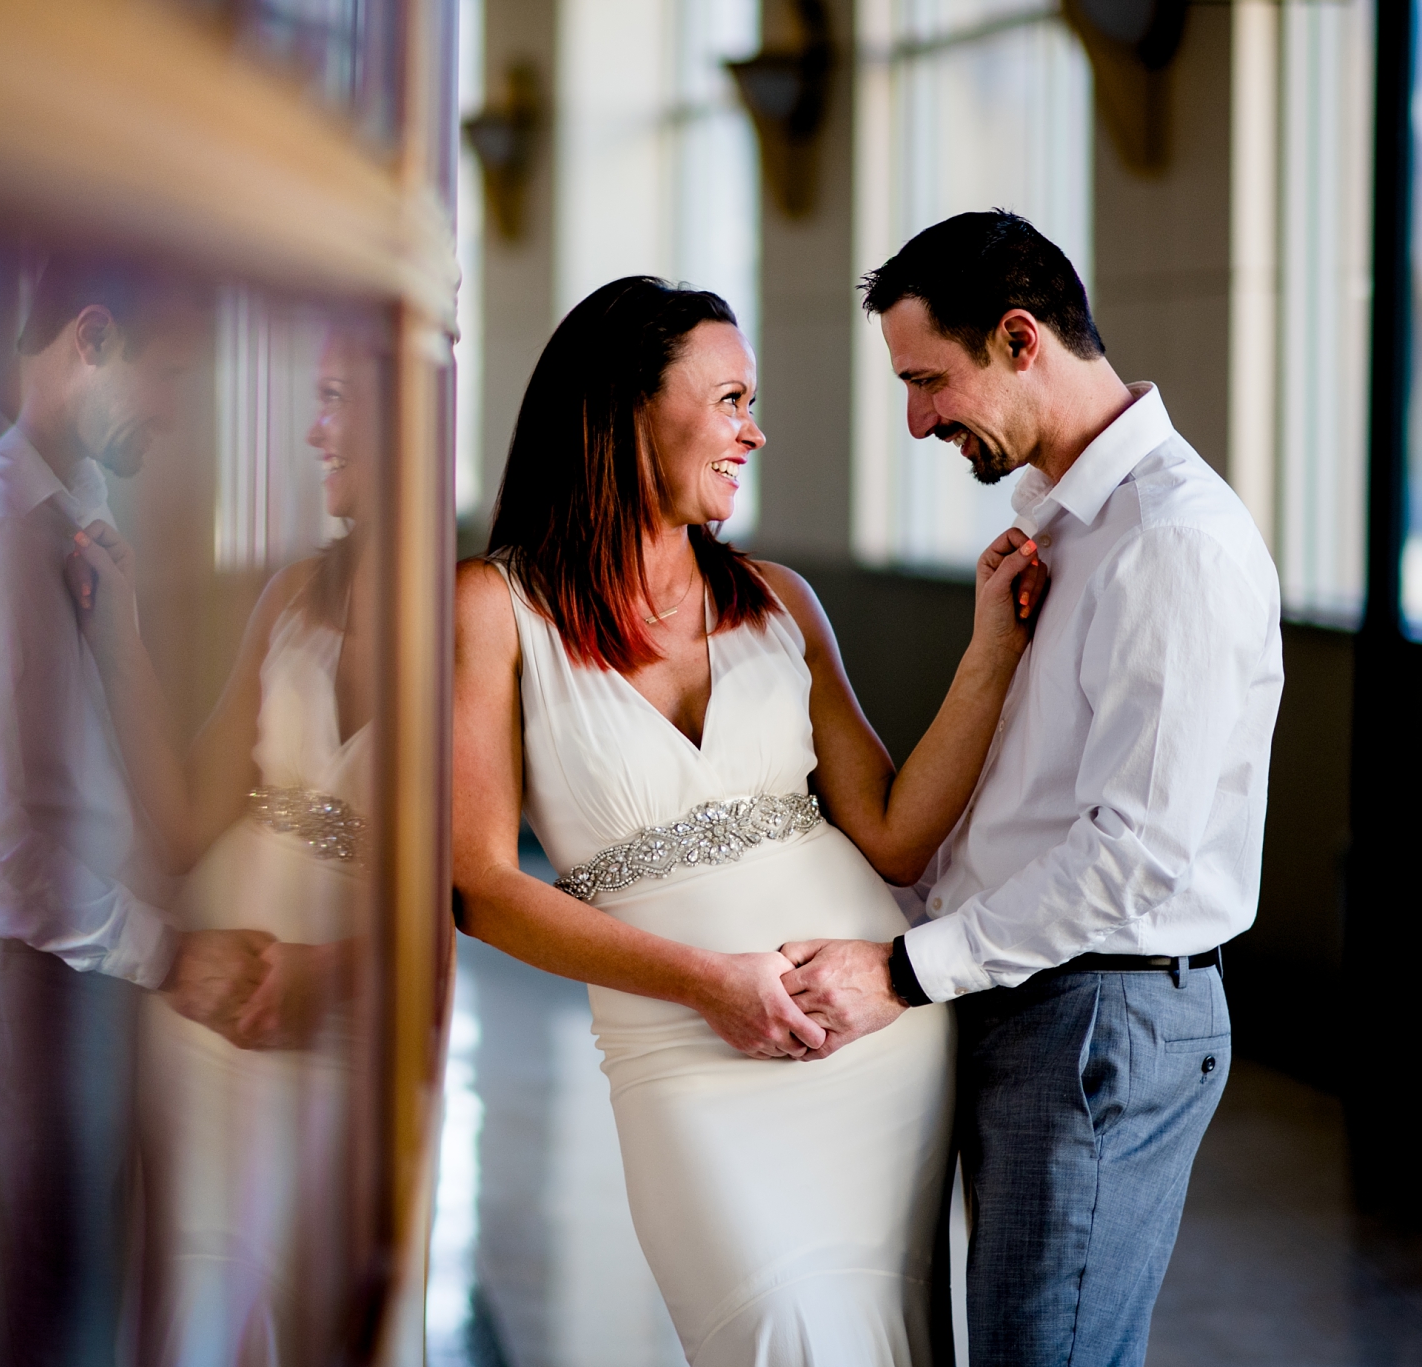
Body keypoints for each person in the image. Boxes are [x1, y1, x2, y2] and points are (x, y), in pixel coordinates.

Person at [451, 276, 1049, 1365]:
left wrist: (989, 652)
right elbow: (479, 888)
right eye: (728, 398)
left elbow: (894, 834)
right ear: (626, 406)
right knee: (775, 1332)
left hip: (875, 1047)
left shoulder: (776, 598)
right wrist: (707, 982)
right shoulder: (492, 611)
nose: (753, 430)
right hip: (683, 1053)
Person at [779, 211, 1284, 1366]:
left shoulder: (1171, 541)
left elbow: (1133, 855)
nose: (915, 420)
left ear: (1017, 338)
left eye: (926, 380)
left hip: (1096, 1017)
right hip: (1039, 1003)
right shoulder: (1068, 536)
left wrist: (904, 970)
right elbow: (1027, 806)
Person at [0, 253, 269, 1367]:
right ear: (91, 339)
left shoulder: (82, 519)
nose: (171, 411)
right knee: (67, 1318)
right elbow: (4, 852)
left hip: (107, 977)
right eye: (168, 376)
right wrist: (172, 955)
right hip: (41, 990)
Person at [65, 328, 381, 1365]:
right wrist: (118, 640)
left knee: (322, 1304)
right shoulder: (290, 595)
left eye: (334, 395)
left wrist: (331, 973)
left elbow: (468, 881)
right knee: (201, 1305)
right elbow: (184, 818)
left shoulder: (477, 617)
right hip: (204, 1022)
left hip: (352, 1025)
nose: (309, 428)